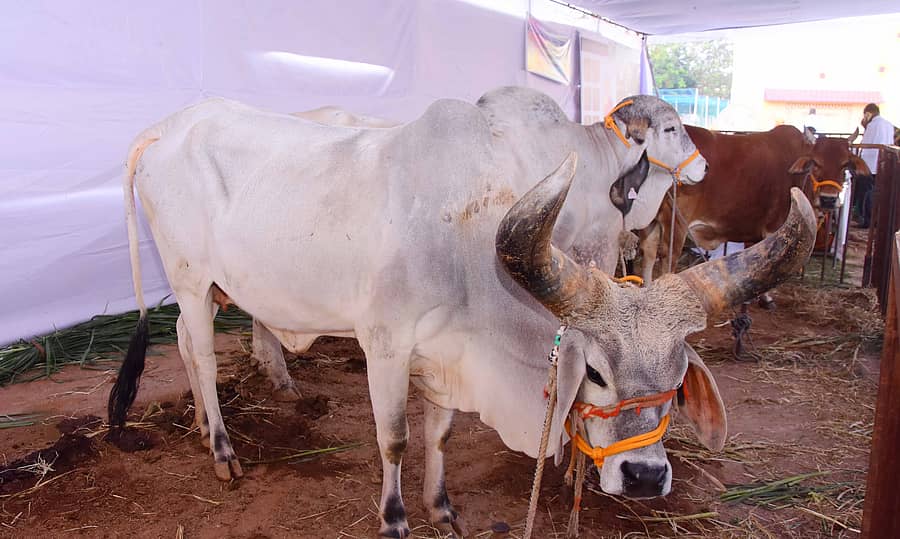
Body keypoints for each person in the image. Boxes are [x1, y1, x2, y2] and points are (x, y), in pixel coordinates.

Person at [848, 103, 895, 228]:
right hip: (883, 164)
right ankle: (876, 220)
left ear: (868, 114)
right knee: (877, 192)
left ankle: (866, 219)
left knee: (865, 192)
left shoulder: (872, 125)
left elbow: (865, 145)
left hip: (869, 164)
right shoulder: (889, 125)